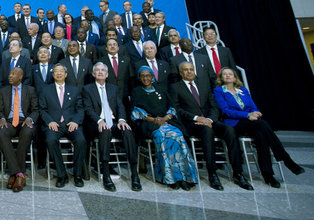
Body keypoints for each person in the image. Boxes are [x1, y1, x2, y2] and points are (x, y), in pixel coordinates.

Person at [213, 67, 305, 188]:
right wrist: (247, 115)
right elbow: (226, 111)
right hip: (234, 123)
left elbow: (253, 106)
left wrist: (255, 113)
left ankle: (268, 175)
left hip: (250, 122)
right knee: (262, 124)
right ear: (221, 78)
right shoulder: (219, 91)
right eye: (224, 74)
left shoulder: (243, 90)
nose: (228, 76)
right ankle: (286, 159)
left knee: (262, 136)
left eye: (230, 74)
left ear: (235, 77)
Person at [169, 62, 253, 191]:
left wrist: (209, 119)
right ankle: (212, 173)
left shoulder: (204, 85)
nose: (189, 72)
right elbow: (177, 109)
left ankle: (238, 173)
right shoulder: (175, 87)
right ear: (181, 73)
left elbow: (214, 106)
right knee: (207, 132)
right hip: (192, 123)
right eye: (186, 70)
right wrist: (197, 118)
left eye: (191, 69)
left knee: (229, 130)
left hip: (209, 120)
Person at [130, 66, 197, 191]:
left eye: (148, 75)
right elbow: (135, 111)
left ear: (152, 76)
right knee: (162, 136)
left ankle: (185, 177)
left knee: (178, 135)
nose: (145, 78)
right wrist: (154, 120)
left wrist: (165, 118)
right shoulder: (137, 91)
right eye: (143, 76)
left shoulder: (162, 89)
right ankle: (170, 177)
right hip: (150, 123)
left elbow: (172, 107)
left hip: (167, 121)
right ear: (139, 78)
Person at [82, 62, 141, 191]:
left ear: (107, 74)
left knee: (127, 131)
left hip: (114, 121)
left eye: (103, 70)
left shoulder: (113, 88)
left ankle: (134, 174)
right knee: (105, 131)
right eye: (97, 70)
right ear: (93, 74)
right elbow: (88, 109)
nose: (100, 72)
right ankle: (106, 173)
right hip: (97, 123)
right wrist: (99, 120)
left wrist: (121, 120)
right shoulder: (87, 89)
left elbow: (120, 105)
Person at [39, 64, 87, 188]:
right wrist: (49, 121)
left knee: (81, 140)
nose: (59, 73)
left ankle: (77, 175)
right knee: (50, 140)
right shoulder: (46, 90)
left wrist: (76, 121)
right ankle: (61, 174)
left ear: (66, 74)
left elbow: (80, 108)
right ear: (53, 74)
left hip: (71, 124)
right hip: (54, 124)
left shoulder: (75, 90)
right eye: (56, 71)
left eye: (61, 71)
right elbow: (42, 110)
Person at [0, 67, 38, 192]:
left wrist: (30, 118)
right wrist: (2, 119)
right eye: (9, 74)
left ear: (20, 77)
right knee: (0, 132)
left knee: (27, 132)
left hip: (24, 120)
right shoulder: (3, 91)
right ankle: (19, 174)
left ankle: (14, 175)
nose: (10, 76)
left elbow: (36, 110)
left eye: (13, 74)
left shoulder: (30, 90)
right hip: (9, 121)